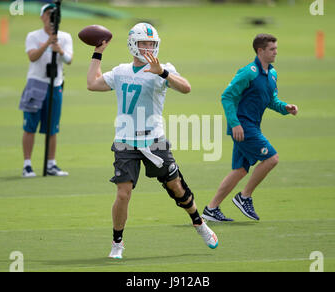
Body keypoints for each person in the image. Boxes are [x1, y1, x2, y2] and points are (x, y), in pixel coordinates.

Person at [86, 23, 218, 259]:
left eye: (152, 44)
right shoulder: (121, 71)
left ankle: (199, 223)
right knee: (123, 193)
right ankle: (117, 243)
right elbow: (92, 84)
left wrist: (163, 73)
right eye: (143, 44)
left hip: (153, 140)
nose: (148, 48)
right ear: (132, 45)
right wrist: (98, 53)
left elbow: (186, 88)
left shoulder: (163, 68)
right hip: (125, 140)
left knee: (175, 187)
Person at [201, 34, 298, 222]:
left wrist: (285, 108)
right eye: (272, 49)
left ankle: (211, 209)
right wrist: (235, 123)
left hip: (251, 126)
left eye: (276, 48)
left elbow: (271, 100)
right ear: (260, 51)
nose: (276, 52)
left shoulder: (272, 73)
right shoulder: (248, 72)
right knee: (272, 158)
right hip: (243, 126)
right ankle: (244, 197)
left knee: (240, 170)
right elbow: (227, 96)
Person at [20, 3, 73, 177]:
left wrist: (59, 50)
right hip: (36, 83)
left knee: (52, 127)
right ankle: (27, 164)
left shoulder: (65, 37)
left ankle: (51, 163)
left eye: (54, 14)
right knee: (30, 126)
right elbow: (32, 57)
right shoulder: (33, 36)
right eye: (48, 14)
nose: (51, 18)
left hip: (55, 84)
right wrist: (47, 43)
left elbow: (69, 60)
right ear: (42, 16)